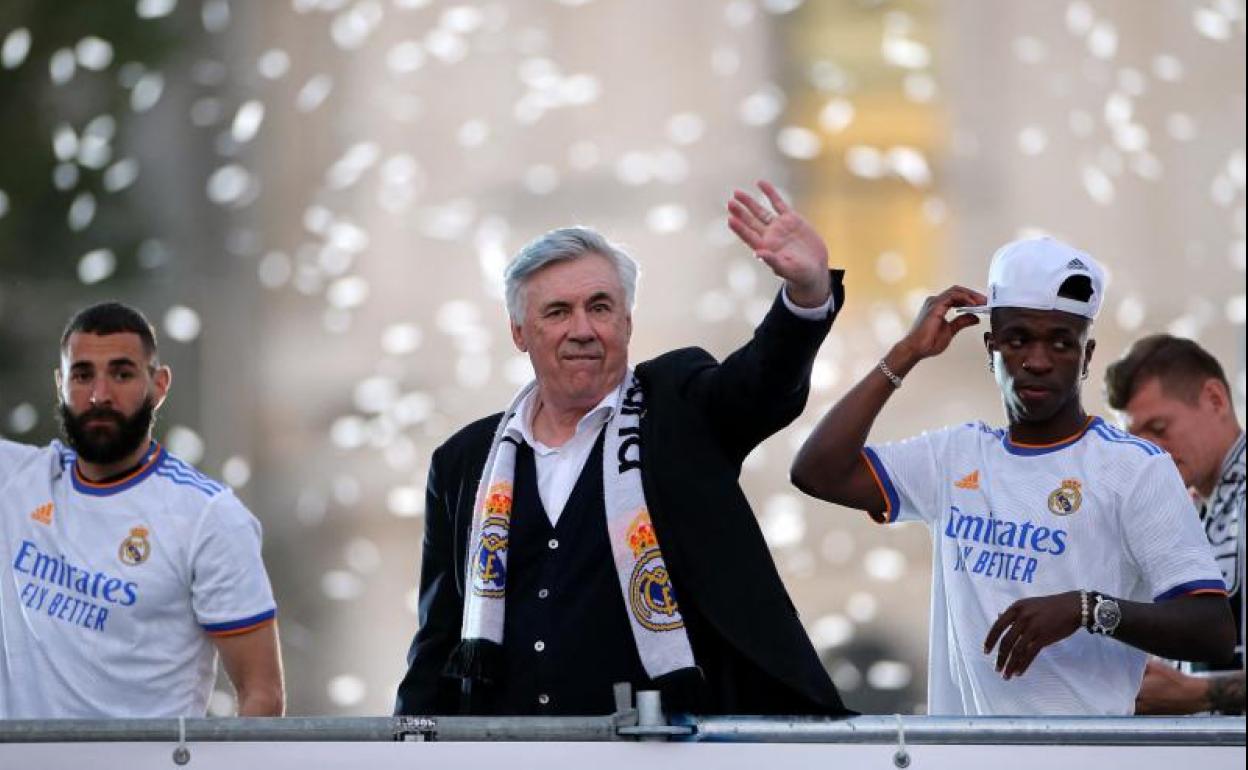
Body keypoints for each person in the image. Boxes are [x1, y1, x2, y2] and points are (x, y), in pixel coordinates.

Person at [394, 182, 850, 716]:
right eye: (557, 312)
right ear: (519, 332)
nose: (582, 330)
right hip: (513, 748)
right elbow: (439, 642)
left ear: (627, 322)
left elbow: (763, 384)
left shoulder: (678, 408)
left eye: (600, 307)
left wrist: (807, 294)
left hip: (673, 744)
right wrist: (404, 743)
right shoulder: (464, 461)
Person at [789, 229, 1235, 715]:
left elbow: (1211, 629)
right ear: (991, 348)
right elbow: (818, 471)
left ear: (1086, 357)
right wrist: (907, 352)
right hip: (966, 752)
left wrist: (1086, 609)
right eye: (1018, 340)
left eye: (1061, 343)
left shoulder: (1135, 469)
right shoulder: (954, 456)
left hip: (1090, 751)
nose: (1038, 361)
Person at [0, 302, 284, 718]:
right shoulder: (15, 481)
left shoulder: (208, 516)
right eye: (82, 375)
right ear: (60, 384)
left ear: (159, 385)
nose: (100, 395)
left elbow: (262, 694)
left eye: (122, 374)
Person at [1106, 334, 1245, 715]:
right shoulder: (1186, 509)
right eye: (1135, 440)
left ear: (1215, 399)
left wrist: (1200, 694)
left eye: (1159, 428)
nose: (1148, 453)